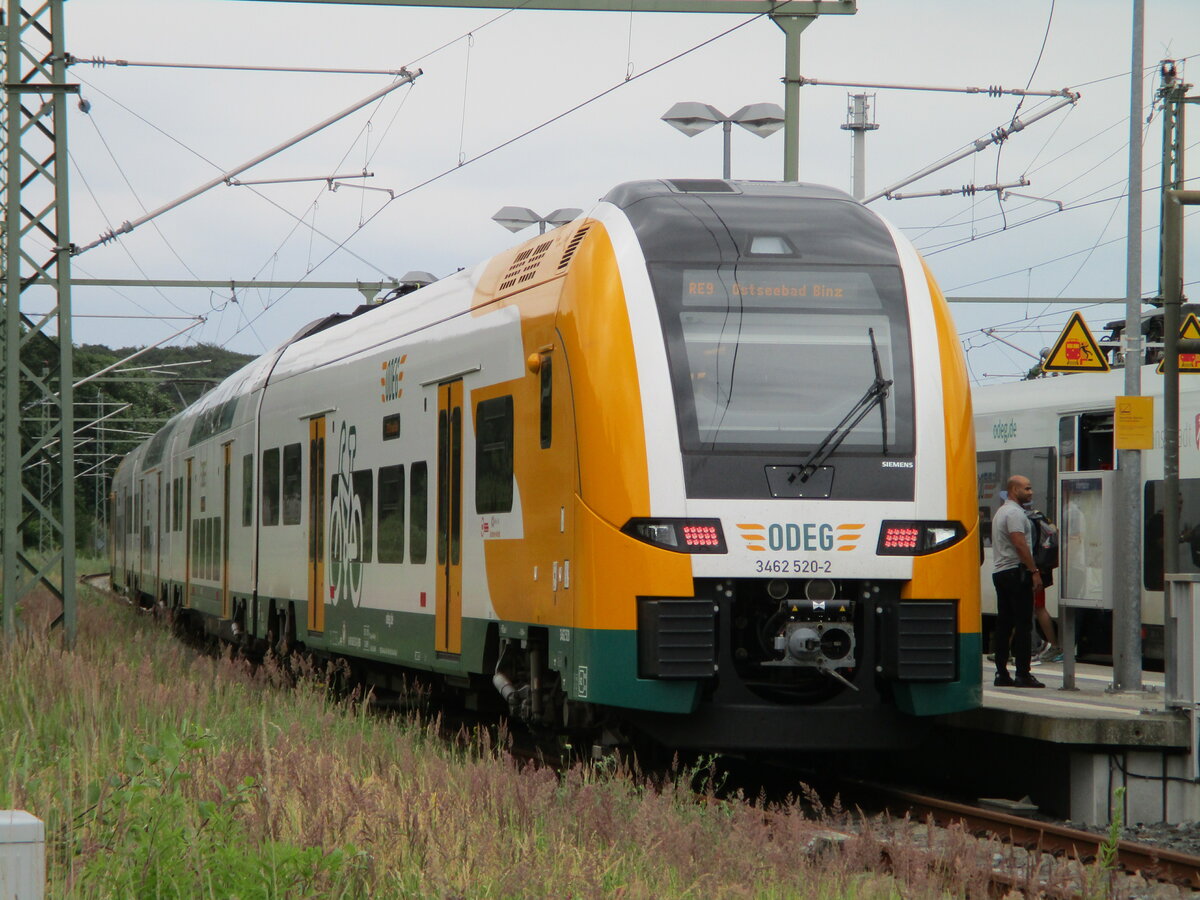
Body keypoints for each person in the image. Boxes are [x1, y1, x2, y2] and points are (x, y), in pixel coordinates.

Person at [991, 475, 1045, 688]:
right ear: (1014, 489)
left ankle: (1001, 673)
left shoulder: (1001, 512)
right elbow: (1019, 543)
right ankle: (1023, 673)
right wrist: (1034, 570)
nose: (1031, 492)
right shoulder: (1014, 513)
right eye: (1027, 489)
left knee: (1004, 624)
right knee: (1023, 624)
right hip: (1016, 572)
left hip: (1001, 573)